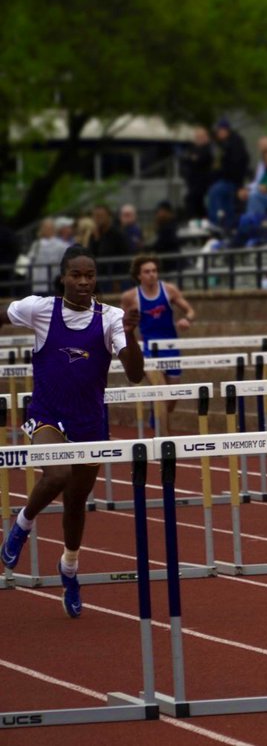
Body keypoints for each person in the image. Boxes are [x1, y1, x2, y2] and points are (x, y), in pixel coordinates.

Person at [1, 246, 145, 618]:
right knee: (58, 473)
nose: (83, 282)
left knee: (76, 503)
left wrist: (131, 334)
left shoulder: (111, 317)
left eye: (90, 275)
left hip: (89, 421)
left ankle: (69, 569)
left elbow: (133, 373)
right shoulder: (40, 308)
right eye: (76, 275)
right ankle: (22, 524)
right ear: (63, 276)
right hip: (47, 413)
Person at [120, 255, 197, 429]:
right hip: (148, 349)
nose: (152, 275)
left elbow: (190, 311)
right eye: (147, 272)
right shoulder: (131, 297)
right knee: (161, 392)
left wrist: (187, 320)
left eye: (154, 271)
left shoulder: (169, 290)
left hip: (171, 348)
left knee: (171, 399)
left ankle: (157, 416)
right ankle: (165, 440)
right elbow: (121, 321)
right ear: (139, 276)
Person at [208, 118, 250, 232]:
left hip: (233, 181)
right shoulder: (222, 144)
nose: (219, 134)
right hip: (226, 179)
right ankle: (227, 224)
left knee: (216, 191)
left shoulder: (234, 144)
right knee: (223, 199)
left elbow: (236, 165)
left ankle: (216, 223)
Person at [89, 204, 130, 293]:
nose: (98, 219)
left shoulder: (118, 234)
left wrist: (118, 281)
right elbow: (90, 255)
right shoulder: (94, 235)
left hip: (115, 279)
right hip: (99, 278)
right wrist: (96, 240)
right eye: (96, 216)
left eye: (101, 216)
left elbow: (125, 259)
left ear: (108, 216)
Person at [26, 218, 70, 295]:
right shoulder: (36, 244)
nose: (47, 230)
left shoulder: (62, 245)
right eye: (45, 228)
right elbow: (30, 259)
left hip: (54, 283)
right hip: (38, 283)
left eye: (49, 228)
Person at [181, 126, 214, 222]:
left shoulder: (209, 149)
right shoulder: (192, 149)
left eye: (201, 137)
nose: (199, 139)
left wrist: (193, 159)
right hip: (193, 183)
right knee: (191, 201)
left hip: (204, 183)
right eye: (197, 137)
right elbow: (187, 160)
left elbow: (200, 160)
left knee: (196, 203)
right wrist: (192, 159)